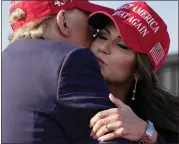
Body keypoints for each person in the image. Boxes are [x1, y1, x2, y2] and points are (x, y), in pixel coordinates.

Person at [2, 0, 136, 144]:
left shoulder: (5, 60)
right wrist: (148, 134)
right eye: (92, 29)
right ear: (64, 22)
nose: (95, 39)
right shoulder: (69, 60)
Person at [88, 1, 179, 144]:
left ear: (139, 70)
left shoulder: (166, 123)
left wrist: (148, 134)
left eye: (122, 45)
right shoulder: (60, 88)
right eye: (103, 36)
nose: (103, 48)